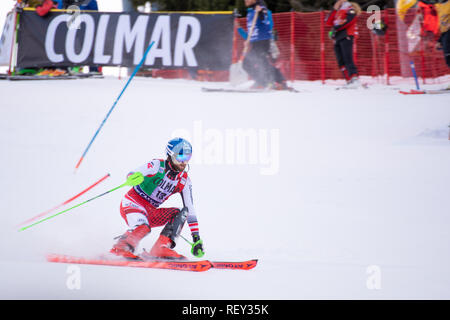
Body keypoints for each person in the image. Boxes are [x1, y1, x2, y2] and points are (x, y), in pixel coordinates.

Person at [110, 138, 204, 260]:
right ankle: (121, 247)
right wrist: (133, 178)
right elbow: (132, 173)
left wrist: (196, 237)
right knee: (143, 227)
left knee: (181, 212)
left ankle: (161, 248)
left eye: (187, 157)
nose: (184, 162)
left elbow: (190, 209)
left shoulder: (184, 180)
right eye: (180, 157)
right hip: (132, 202)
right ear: (170, 155)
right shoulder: (156, 166)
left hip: (150, 211)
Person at [241, 0, 290, 90]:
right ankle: (262, 81)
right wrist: (248, 39)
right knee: (246, 64)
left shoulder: (261, 8)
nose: (246, 0)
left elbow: (265, 18)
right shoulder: (250, 11)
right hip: (255, 42)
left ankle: (280, 81)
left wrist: (261, 12)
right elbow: (253, 28)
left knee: (263, 63)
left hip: (262, 41)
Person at [325, 0, 362, 88]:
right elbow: (328, 21)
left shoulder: (350, 9)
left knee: (347, 58)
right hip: (337, 38)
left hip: (346, 36)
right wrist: (334, 9)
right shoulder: (338, 12)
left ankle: (354, 78)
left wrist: (335, 28)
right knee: (340, 61)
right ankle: (348, 80)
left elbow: (348, 21)